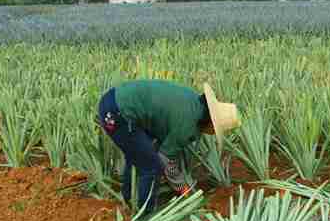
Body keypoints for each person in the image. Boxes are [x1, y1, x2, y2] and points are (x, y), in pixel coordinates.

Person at [97, 79, 240, 213]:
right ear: (211, 122)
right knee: (152, 167)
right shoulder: (188, 125)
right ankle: (145, 216)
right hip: (117, 113)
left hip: (113, 99)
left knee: (138, 155)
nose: (212, 133)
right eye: (215, 129)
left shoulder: (193, 101)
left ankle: (129, 199)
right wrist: (183, 189)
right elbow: (165, 159)